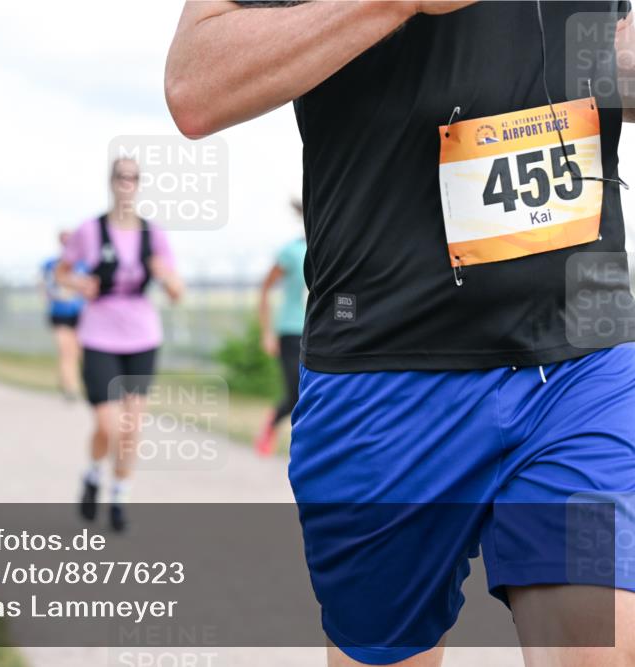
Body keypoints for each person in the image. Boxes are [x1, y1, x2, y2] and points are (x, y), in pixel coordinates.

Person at [167, 2, 634, 666]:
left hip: (579, 362)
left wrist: (613, 63)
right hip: (385, 370)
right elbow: (195, 89)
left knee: (601, 645)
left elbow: (597, 60)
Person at [56, 158, 183, 532]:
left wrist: (165, 277)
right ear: (110, 182)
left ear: (139, 184)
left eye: (134, 177)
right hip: (99, 335)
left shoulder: (153, 234)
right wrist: (79, 284)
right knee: (107, 426)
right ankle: (93, 474)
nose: (127, 183)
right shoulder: (89, 230)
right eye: (121, 177)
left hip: (142, 337)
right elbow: (61, 272)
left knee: (131, 427)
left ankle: (119, 496)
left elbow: (177, 291)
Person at [254, 199, 307, 457]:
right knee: (296, 392)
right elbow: (265, 289)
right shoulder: (291, 252)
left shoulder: (333, 249)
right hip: (291, 330)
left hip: (319, 330)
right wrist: (267, 333)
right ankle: (272, 424)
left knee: (315, 391)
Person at [41, 231, 87, 401]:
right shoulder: (51, 264)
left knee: (80, 351)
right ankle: (70, 387)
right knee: (66, 350)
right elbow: (46, 287)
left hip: (81, 313)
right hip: (60, 313)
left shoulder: (84, 263)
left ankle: (70, 380)